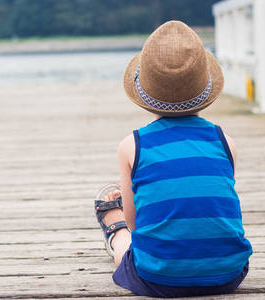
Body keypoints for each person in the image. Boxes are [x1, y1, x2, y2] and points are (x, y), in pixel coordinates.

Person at [94, 21, 253, 298]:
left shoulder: (132, 145)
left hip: (159, 278)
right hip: (229, 274)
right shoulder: (225, 141)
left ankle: (113, 232)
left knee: (127, 242)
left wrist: (124, 227)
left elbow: (136, 223)